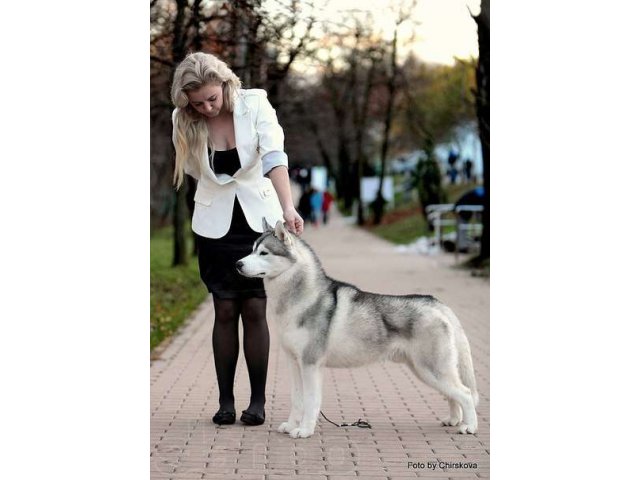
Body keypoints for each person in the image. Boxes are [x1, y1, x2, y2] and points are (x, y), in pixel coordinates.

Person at [170, 52, 304, 427]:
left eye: (212, 98)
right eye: (198, 103)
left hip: (258, 221)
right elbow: (196, 172)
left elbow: (274, 156)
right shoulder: (183, 119)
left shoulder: (255, 104)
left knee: (255, 310)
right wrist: (192, 114)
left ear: (225, 84)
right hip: (215, 226)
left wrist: (288, 208)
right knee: (224, 310)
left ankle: (257, 402)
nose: (208, 108)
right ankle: (226, 401)